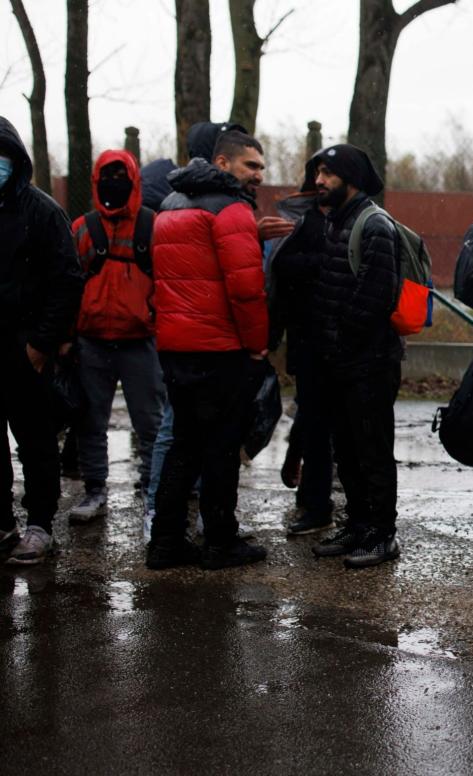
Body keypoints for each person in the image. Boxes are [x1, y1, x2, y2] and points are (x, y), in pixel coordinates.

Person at [145, 130, 270, 571]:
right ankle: (220, 541)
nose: (259, 174)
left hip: (176, 346)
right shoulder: (231, 209)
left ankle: (165, 542)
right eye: (251, 165)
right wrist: (257, 345)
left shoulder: (170, 206)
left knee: (185, 444)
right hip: (219, 348)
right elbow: (245, 290)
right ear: (223, 163)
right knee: (221, 447)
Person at [303, 144, 403, 568]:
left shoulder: (375, 225)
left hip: (369, 363)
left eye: (327, 173)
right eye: (317, 172)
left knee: (372, 450)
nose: (319, 181)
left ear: (351, 178)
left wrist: (341, 340)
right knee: (347, 448)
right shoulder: (335, 222)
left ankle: (382, 534)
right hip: (341, 361)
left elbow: (373, 298)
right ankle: (358, 524)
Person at [0, 116, 84, 564]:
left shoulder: (42, 211)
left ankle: (39, 524)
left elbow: (67, 281)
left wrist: (42, 343)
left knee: (34, 439)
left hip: (27, 349)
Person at [66, 150, 165, 524]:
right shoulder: (82, 228)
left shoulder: (151, 226)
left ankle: (153, 490)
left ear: (133, 179)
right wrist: (65, 337)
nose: (112, 183)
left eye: (119, 175)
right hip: (91, 341)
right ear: (95, 181)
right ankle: (95, 489)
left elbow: (167, 283)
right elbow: (66, 283)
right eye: (105, 176)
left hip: (140, 341)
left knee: (150, 423)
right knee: (91, 421)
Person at [266, 159, 335, 537]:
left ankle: (310, 486)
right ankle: (314, 502)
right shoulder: (304, 221)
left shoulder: (351, 219)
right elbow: (285, 270)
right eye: (319, 174)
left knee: (321, 420)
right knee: (316, 418)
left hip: (332, 338)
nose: (323, 181)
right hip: (310, 338)